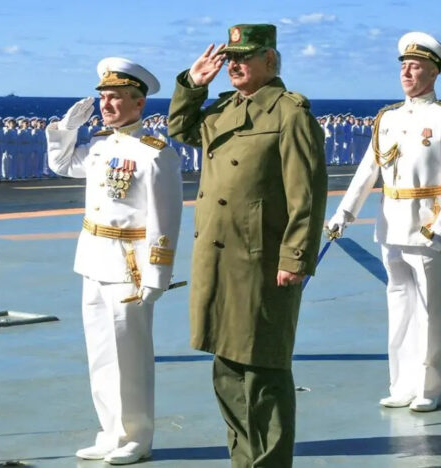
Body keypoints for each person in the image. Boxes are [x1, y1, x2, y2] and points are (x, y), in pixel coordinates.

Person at [168, 24, 327, 467]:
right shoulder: (224, 108)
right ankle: (244, 461)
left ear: (269, 61)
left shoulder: (289, 114)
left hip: (261, 262)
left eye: (244, 57)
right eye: (230, 59)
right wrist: (193, 84)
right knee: (228, 369)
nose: (233, 65)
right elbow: (181, 129)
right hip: (219, 259)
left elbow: (307, 196)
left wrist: (295, 258)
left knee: (263, 371)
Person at [47, 57, 182, 465]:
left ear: (139, 103)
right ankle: (110, 433)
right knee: (102, 355)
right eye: (103, 97)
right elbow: (61, 165)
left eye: (116, 97)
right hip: (93, 261)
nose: (106, 105)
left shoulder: (155, 154)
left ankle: (136, 437)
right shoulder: (100, 145)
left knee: (130, 357)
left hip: (130, 268)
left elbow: (165, 219)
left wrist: (157, 274)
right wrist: (66, 129)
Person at [327, 31, 441, 412]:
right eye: (404, 66)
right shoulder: (387, 119)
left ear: (434, 72)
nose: (406, 72)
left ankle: (429, 387)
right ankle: (402, 383)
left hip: (427, 230)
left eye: (416, 66)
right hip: (390, 228)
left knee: (430, 312)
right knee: (400, 309)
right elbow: (367, 171)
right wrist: (343, 214)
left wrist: (438, 226)